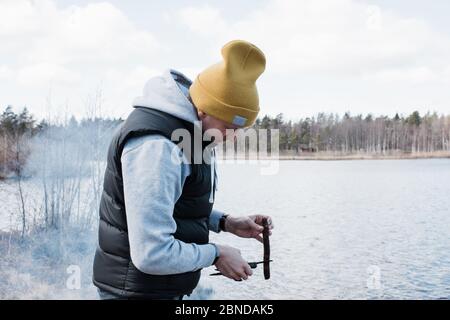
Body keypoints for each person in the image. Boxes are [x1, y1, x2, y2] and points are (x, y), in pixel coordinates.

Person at [93, 39, 273, 300]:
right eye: (230, 128)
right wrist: (216, 254)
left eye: (241, 130)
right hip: (135, 293)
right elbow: (151, 253)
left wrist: (225, 222)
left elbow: (172, 204)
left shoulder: (191, 133)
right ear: (203, 110)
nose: (233, 138)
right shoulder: (158, 147)